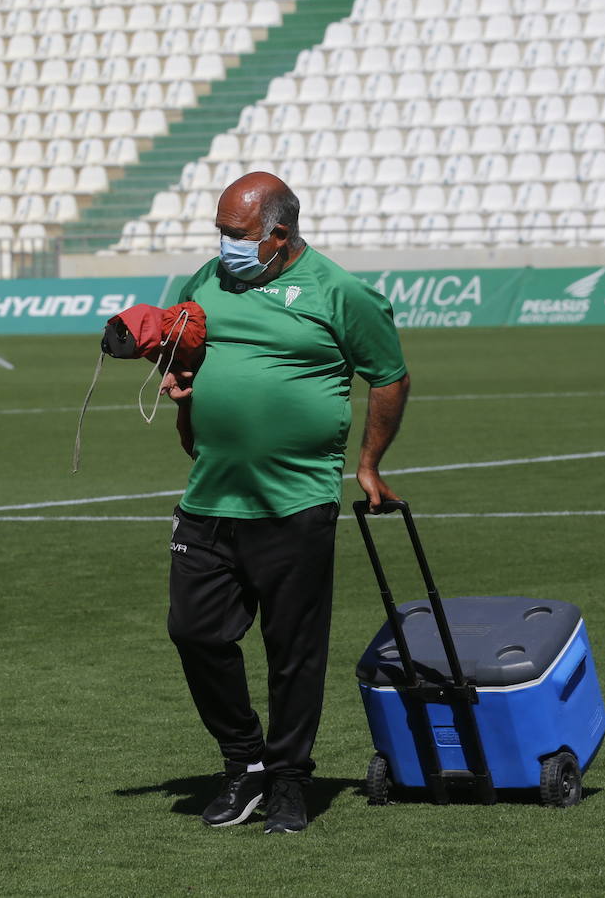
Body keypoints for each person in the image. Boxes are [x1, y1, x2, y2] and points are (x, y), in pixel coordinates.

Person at [159, 172, 410, 833]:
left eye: (235, 235)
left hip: (295, 502)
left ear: (278, 234)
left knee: (292, 650)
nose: (224, 247)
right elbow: (185, 363)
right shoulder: (203, 283)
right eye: (218, 232)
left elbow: (388, 376)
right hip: (210, 496)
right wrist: (182, 390)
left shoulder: (338, 291)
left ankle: (291, 781)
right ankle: (245, 763)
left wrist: (369, 464)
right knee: (193, 632)